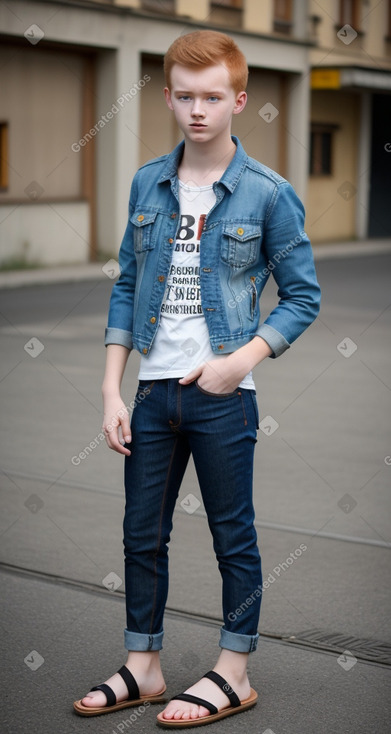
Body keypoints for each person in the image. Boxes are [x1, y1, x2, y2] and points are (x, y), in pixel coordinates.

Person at [73, 29, 321, 727]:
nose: (198, 110)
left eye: (212, 96)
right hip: (152, 395)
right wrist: (110, 389)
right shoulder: (147, 181)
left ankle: (232, 672)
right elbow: (127, 285)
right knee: (140, 534)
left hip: (223, 399)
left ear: (238, 100)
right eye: (185, 96)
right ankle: (143, 665)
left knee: (231, 537)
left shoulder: (268, 196)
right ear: (169, 99)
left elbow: (302, 295)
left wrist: (239, 362)